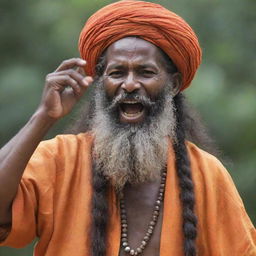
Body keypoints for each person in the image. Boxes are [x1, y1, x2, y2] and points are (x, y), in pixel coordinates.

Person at [0, 1, 255, 255]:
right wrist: (43, 117)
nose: (130, 84)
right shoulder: (60, 160)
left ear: (174, 85)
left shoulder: (208, 176)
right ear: (100, 82)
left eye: (145, 72)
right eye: (117, 73)